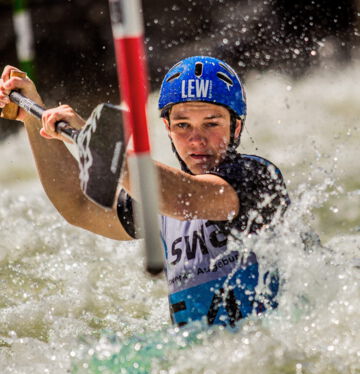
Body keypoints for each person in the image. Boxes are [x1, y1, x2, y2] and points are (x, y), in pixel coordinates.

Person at [0, 56, 290, 327]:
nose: (196, 139)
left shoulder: (257, 180)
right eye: (182, 125)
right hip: (198, 363)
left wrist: (98, 142)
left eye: (211, 124)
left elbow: (182, 198)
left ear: (236, 127)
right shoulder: (156, 194)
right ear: (167, 127)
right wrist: (32, 117)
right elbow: (78, 206)